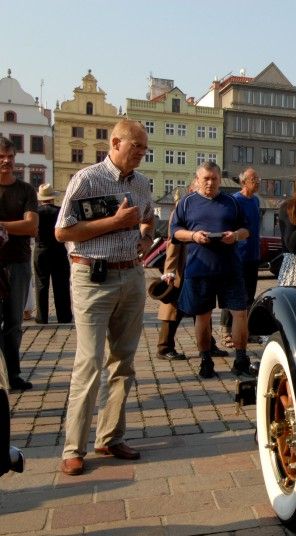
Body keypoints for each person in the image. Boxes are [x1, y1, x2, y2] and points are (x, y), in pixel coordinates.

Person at [55, 119, 155, 476]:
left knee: (123, 363)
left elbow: (147, 219)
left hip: (131, 275)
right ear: (115, 143)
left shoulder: (142, 183)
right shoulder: (87, 179)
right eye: (136, 147)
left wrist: (144, 236)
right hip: (92, 277)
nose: (142, 153)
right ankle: (73, 447)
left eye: (145, 148)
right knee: (89, 362)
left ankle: (110, 437)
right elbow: (62, 230)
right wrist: (114, 223)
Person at [171, 161, 250, 379]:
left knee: (240, 313)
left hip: (230, 268)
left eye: (214, 179)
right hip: (199, 269)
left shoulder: (231, 203)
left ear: (219, 180)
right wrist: (194, 236)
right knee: (203, 317)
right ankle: (205, 359)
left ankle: (241, 358)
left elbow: (246, 230)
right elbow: (175, 232)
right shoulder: (186, 203)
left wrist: (234, 236)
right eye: (205, 178)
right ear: (197, 180)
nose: (210, 182)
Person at [155, 187, 230, 361]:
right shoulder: (181, 209)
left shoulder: (202, 208)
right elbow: (173, 243)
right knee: (173, 307)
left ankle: (208, 344)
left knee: (204, 306)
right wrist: (170, 270)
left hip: (199, 264)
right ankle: (164, 347)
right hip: (183, 266)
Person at [0, 136, 39, 392]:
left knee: (14, 322)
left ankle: (13, 374)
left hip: (19, 262)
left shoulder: (25, 190)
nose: (6, 162)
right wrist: (15, 227)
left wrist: (1, 227)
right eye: (2, 157)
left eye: (10, 157)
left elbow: (31, 226)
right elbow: (23, 225)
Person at [220, 168, 261, 347]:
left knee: (249, 295)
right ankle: (227, 331)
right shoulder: (235, 200)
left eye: (258, 178)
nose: (258, 181)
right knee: (233, 293)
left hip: (253, 255)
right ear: (244, 182)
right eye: (254, 178)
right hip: (238, 255)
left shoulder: (256, 201)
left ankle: (246, 329)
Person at [33, 183, 72, 324]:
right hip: (58, 250)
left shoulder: (35, 212)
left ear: (40, 198)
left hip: (40, 249)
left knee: (41, 284)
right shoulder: (60, 211)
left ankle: (42, 317)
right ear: (52, 198)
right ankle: (64, 316)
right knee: (61, 284)